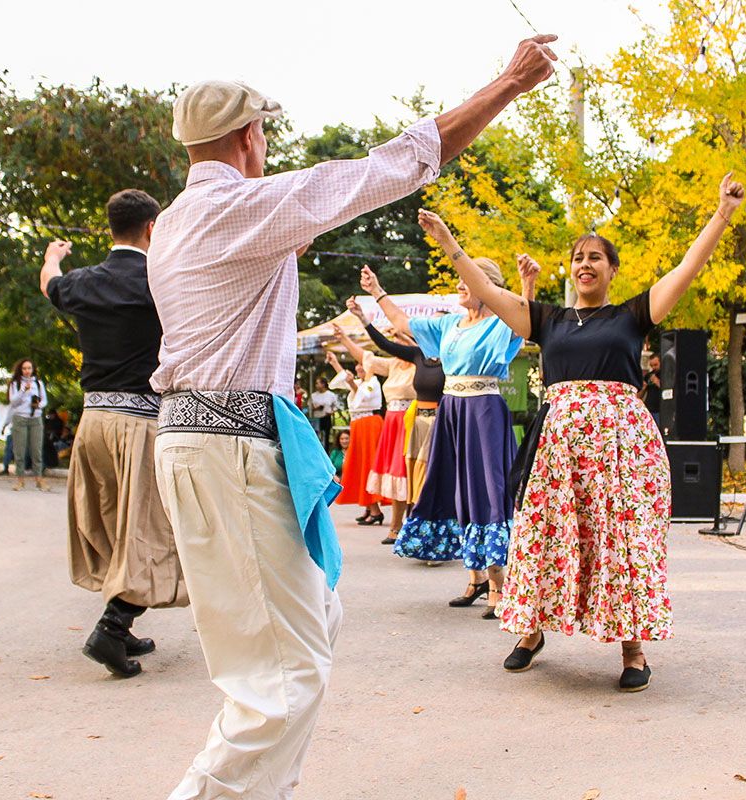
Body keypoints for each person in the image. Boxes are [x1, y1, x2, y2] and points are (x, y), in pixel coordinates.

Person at [147, 36, 557, 798]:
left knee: (307, 629)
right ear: (248, 138)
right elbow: (393, 165)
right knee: (284, 675)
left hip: (199, 439)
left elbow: (283, 236)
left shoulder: (176, 223)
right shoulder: (241, 205)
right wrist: (508, 83)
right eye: (264, 133)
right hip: (229, 446)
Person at [417, 174, 746, 690]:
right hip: (560, 449)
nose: (585, 264)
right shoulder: (547, 320)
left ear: (612, 269)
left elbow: (687, 268)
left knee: (622, 541)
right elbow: (484, 288)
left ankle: (633, 650)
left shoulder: (633, 315)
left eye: (596, 257)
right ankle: (530, 633)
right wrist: (449, 242)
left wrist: (722, 214)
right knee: (544, 536)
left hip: (623, 449)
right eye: (579, 257)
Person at [39, 189, 188, 680]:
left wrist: (53, 256)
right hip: (141, 422)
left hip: (94, 424)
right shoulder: (161, 281)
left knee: (114, 525)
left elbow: (49, 285)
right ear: (152, 228)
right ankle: (112, 625)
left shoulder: (83, 282)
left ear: (111, 229)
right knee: (150, 528)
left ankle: (122, 629)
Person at [363, 252, 536, 620]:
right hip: (453, 410)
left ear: (484, 287)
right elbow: (402, 323)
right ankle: (474, 580)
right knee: (455, 487)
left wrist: (527, 284)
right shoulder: (450, 325)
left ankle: (498, 585)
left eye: (467, 280)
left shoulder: (499, 322)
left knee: (487, 490)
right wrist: (377, 292)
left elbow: (525, 321)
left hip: (484, 411)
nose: (459, 285)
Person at [332, 306, 417, 542]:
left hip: (411, 420)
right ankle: (396, 526)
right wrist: (345, 339)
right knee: (394, 474)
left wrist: (401, 336)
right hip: (392, 421)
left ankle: (410, 524)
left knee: (408, 473)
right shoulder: (393, 365)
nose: (397, 345)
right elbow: (365, 357)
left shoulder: (422, 363)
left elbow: (416, 348)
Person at [360, 317, 445, 509]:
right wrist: (363, 319)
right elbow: (385, 344)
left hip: (441, 421)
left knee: (433, 472)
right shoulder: (418, 355)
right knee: (412, 472)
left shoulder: (453, 357)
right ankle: (413, 523)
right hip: (417, 422)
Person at [326, 349, 386, 525]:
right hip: (359, 425)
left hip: (369, 424)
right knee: (361, 464)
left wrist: (352, 383)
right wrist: (335, 362)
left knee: (368, 464)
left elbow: (362, 394)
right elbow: (345, 381)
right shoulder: (362, 381)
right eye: (358, 363)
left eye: (363, 364)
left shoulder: (372, 382)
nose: (359, 367)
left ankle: (374, 509)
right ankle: (369, 507)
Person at [7, 358, 48, 491]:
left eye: (29, 368)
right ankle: (20, 480)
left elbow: (44, 401)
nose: (27, 371)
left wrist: (38, 406)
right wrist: (23, 390)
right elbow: (13, 402)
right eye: (24, 368)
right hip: (20, 419)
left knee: (36, 450)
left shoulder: (38, 383)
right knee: (19, 450)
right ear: (20, 369)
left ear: (33, 369)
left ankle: (39, 479)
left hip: (35, 419)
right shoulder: (15, 384)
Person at [309, 377, 340, 448]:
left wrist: (331, 412)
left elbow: (336, 406)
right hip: (316, 418)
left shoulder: (331, 395)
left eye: (318, 383)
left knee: (326, 437)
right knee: (316, 436)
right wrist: (315, 408)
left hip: (326, 417)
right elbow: (309, 407)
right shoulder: (313, 395)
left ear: (323, 384)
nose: (316, 385)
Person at [640, 353, 661, 427]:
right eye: (651, 366)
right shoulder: (649, 375)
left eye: (656, 365)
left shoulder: (665, 374)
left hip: (660, 409)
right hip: (649, 408)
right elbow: (639, 396)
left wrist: (657, 382)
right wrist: (643, 388)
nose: (653, 368)